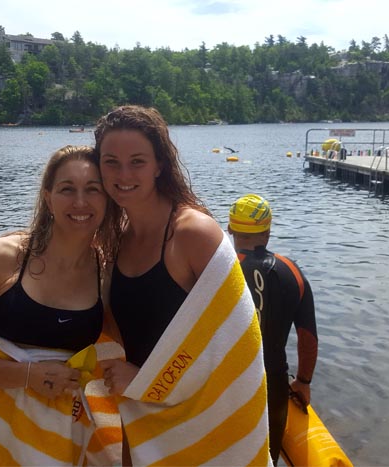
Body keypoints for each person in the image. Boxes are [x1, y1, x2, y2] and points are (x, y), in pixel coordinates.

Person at [93, 105, 271, 466]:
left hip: (203, 426)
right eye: (111, 162)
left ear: (159, 165)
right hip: (141, 421)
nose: (123, 174)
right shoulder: (116, 239)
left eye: (137, 161)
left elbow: (239, 346)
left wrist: (146, 378)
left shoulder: (193, 233)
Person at [0, 145, 121, 466]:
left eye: (93, 190)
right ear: (48, 198)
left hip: (57, 442)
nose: (80, 202)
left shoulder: (108, 272)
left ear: (107, 200)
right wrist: (28, 375)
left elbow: (114, 357)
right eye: (66, 189)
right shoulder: (0, 258)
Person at [227, 193, 318, 466]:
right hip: (274, 384)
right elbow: (308, 337)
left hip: (225, 385)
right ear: (267, 231)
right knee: (268, 457)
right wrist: (303, 381)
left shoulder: (217, 270)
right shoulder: (292, 271)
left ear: (231, 229)